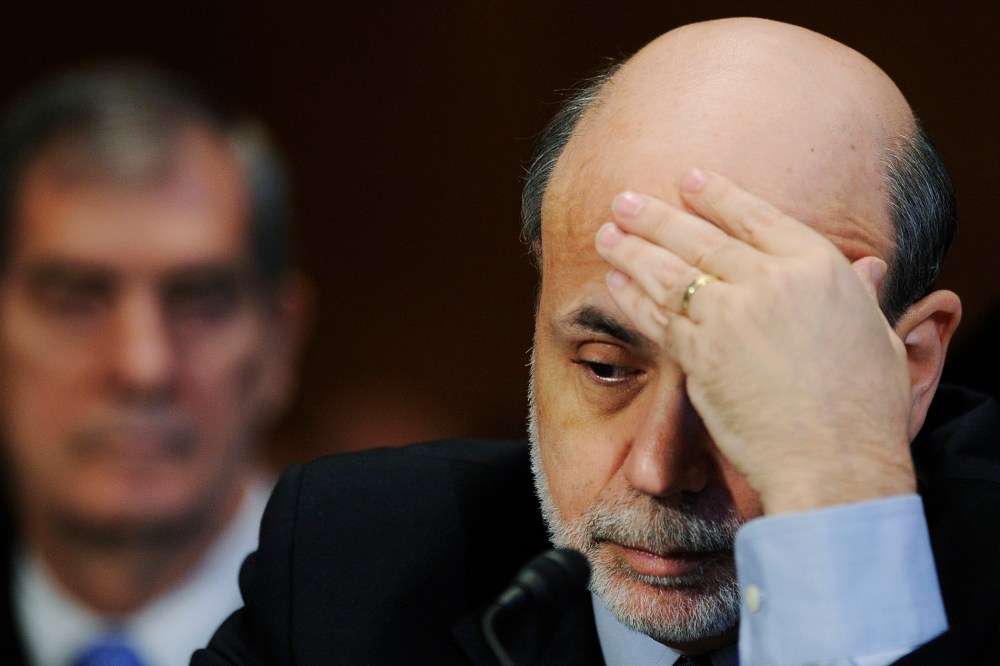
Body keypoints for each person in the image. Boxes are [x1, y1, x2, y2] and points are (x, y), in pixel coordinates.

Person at [194, 17, 1000, 666]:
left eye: (748, 384)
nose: (658, 468)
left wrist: (836, 492)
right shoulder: (359, 561)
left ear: (912, 365)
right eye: (608, 367)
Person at [0, 64, 306, 665]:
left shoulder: (418, 638)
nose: (143, 367)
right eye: (74, 302)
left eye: (199, 302)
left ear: (278, 344)